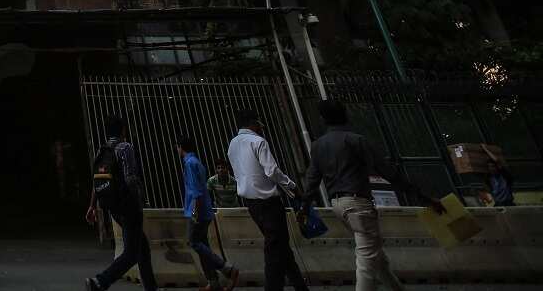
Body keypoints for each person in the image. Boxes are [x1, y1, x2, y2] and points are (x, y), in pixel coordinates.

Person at [301, 99, 444, 291]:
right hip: (358, 204)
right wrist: (425, 198)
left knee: (374, 255)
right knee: (366, 261)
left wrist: (304, 207)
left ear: (323, 119)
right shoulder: (356, 140)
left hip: (337, 205)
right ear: (345, 115)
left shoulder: (318, 145)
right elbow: (390, 173)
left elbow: (311, 180)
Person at [227, 109, 307, 291]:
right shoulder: (258, 141)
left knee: (280, 247)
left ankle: (300, 286)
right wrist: (292, 186)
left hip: (251, 203)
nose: (261, 129)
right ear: (252, 123)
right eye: (259, 124)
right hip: (268, 203)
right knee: (274, 250)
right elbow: (272, 171)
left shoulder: (232, 144)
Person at [85, 114, 158, 291]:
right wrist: (140, 201)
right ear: (123, 130)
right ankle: (100, 282)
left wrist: (92, 206)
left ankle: (151, 288)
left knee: (142, 247)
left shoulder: (102, 151)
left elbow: (97, 181)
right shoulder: (125, 147)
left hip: (114, 208)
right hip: (129, 206)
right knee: (132, 254)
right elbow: (131, 178)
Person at [177, 136, 240, 291]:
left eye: (177, 147)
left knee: (194, 242)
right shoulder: (197, 162)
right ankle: (213, 282)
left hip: (197, 210)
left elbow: (195, 191)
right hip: (205, 210)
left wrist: (194, 213)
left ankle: (227, 269)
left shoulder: (190, 164)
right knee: (203, 245)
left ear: (181, 147)